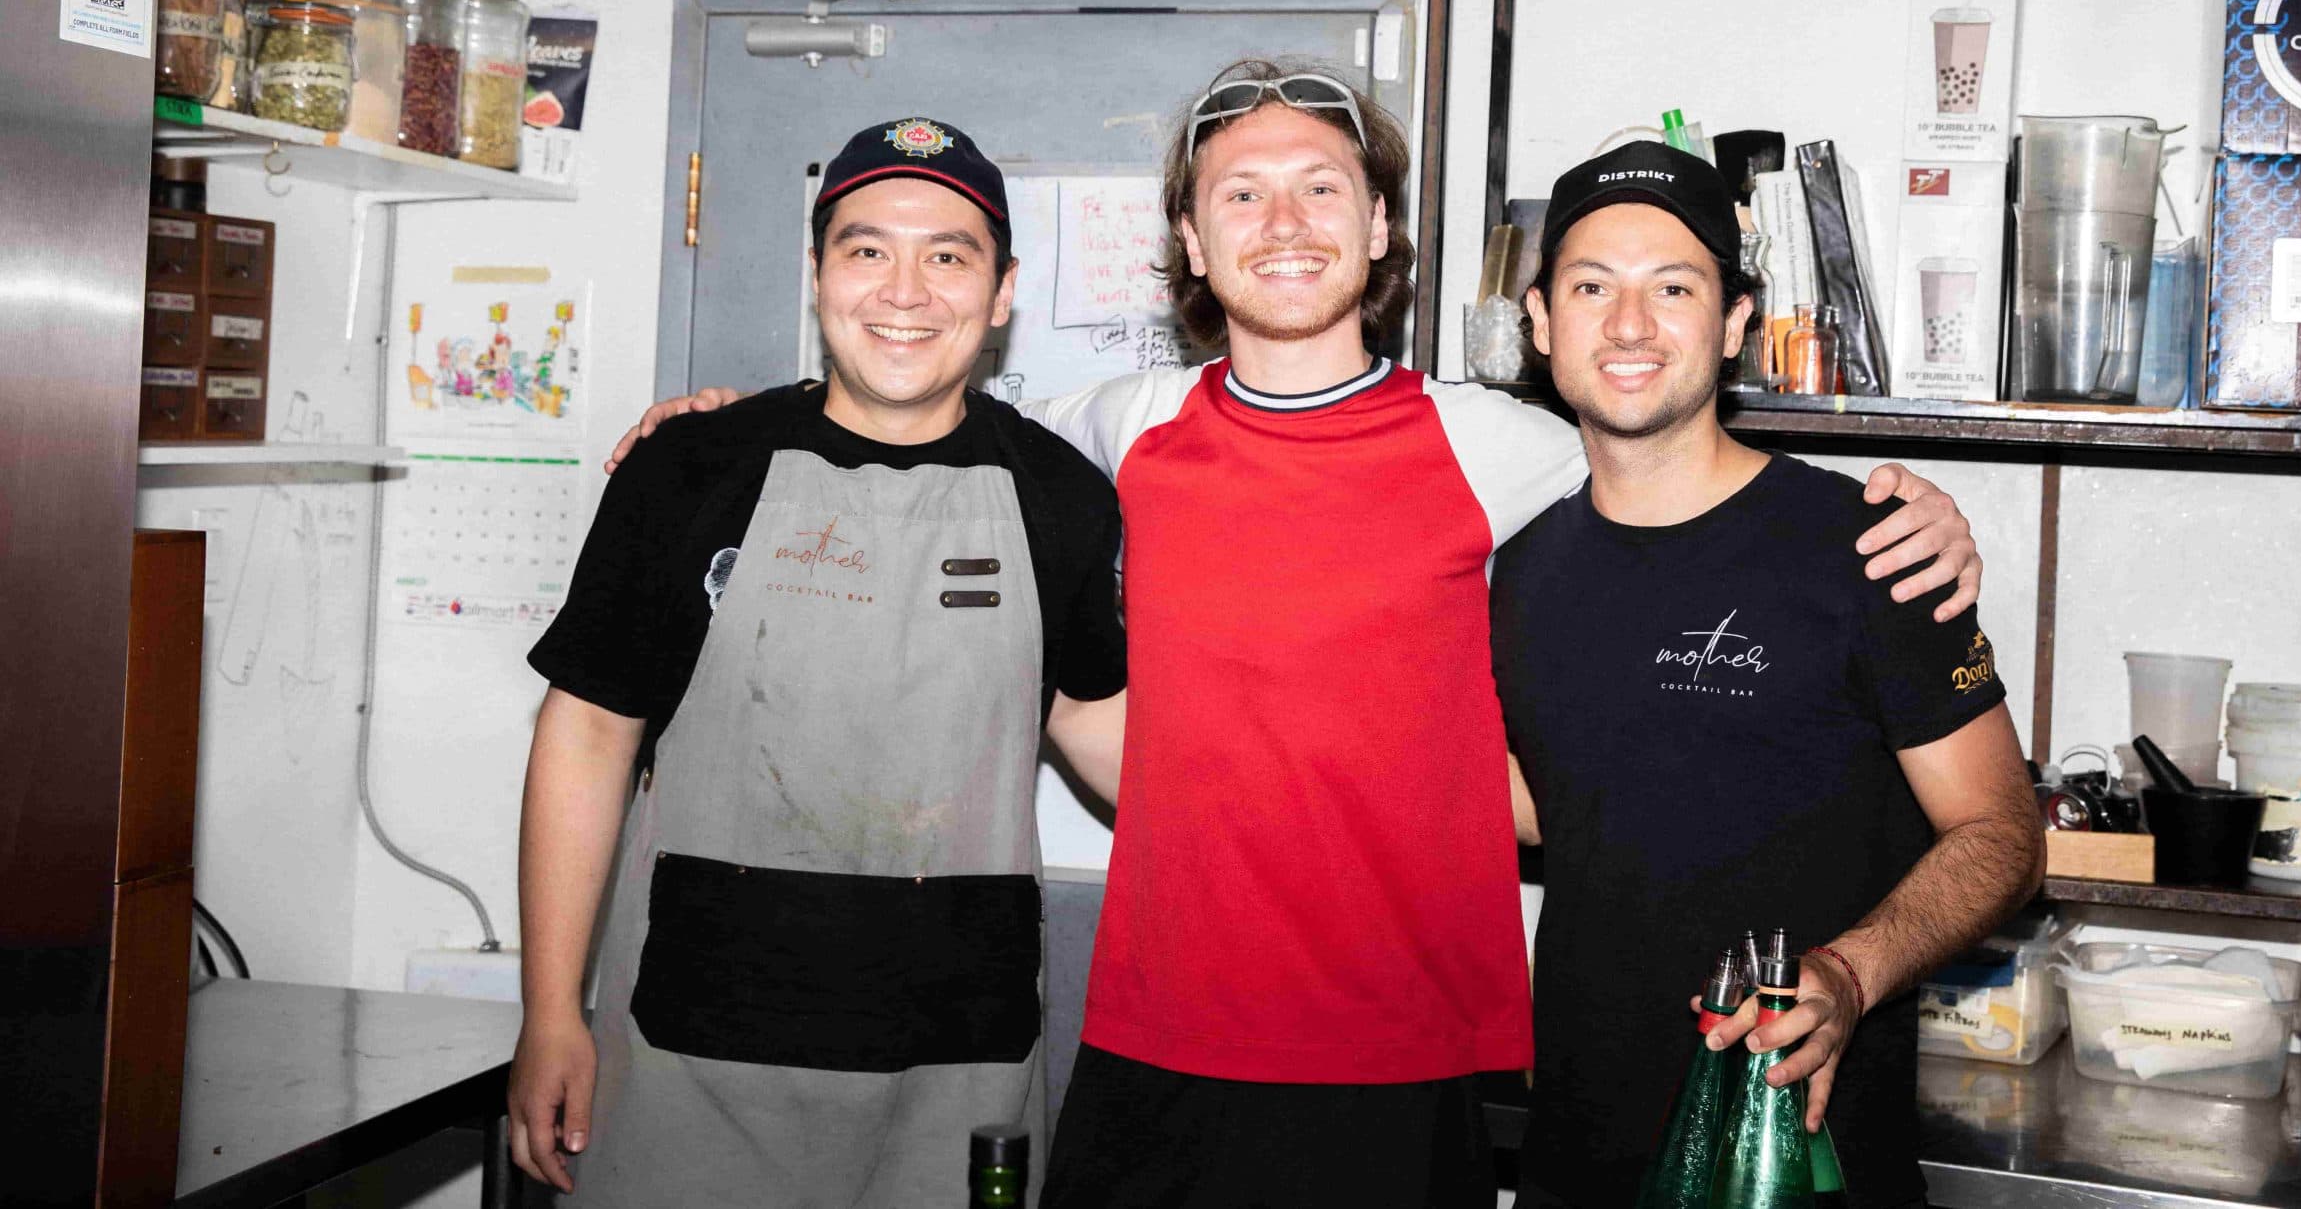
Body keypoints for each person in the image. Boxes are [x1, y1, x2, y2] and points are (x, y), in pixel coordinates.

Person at [608, 63, 1987, 1209]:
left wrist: (1906, 500)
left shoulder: (1500, 444)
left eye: (1323, 185)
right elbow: (910, 385)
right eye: (1241, 193)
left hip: (1399, 1061)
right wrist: (728, 427)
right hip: (1151, 1042)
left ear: (1382, 228)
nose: (1284, 220)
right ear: (1192, 247)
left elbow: (1680, 461)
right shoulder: (1115, 430)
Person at [507, 118, 1130, 1205]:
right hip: (700, 1045)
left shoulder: (1061, 497)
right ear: (817, 273)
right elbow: (587, 734)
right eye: (865, 249)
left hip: (959, 1054)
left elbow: (1097, 722)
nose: (905, 290)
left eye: (948, 255)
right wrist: (551, 1011)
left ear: (1002, 291)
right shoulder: (690, 471)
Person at [1490, 140, 2045, 1209]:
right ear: (1539, 321)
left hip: (1804, 1162)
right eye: (1591, 286)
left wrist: (1848, 974)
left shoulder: (1869, 547)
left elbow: (2004, 836)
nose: (1629, 325)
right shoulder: (1517, 571)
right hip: (1578, 1158)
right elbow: (1545, 802)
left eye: (1674, 287)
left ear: (1737, 322)